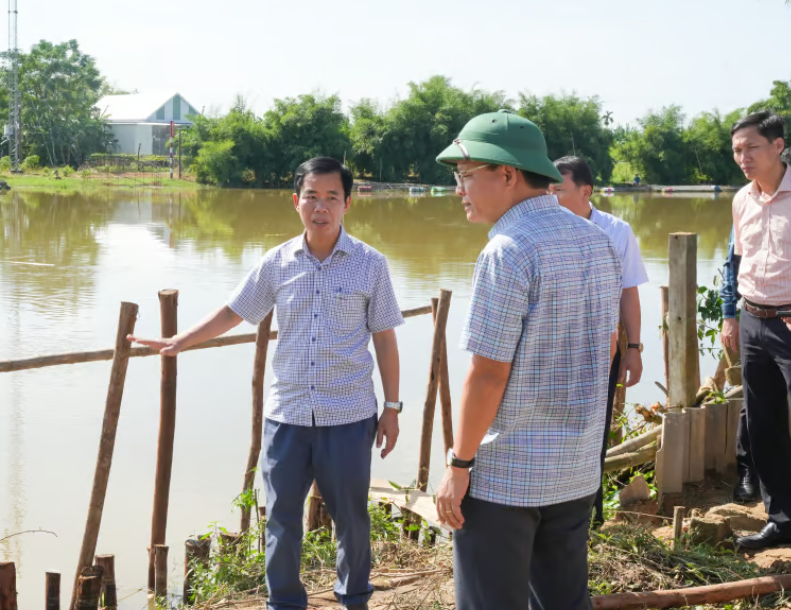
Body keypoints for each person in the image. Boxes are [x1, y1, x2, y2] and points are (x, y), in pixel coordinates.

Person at [129, 156, 404, 610]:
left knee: (352, 519)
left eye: (332, 197)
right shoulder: (277, 263)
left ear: (348, 204)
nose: (321, 206)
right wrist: (181, 340)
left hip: (349, 415)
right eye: (312, 196)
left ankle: (354, 600)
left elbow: (386, 340)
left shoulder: (370, 265)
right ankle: (285, 603)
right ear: (296, 202)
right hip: (288, 416)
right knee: (280, 520)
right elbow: (234, 311)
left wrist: (392, 408)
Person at [433, 111, 622, 610]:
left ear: (508, 174)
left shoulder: (509, 250)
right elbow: (606, 348)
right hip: (575, 468)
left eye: (466, 175)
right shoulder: (598, 240)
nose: (459, 189)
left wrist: (459, 462)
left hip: (505, 475)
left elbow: (489, 373)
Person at [550, 155, 648, 527]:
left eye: (558, 189)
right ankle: (549, 515)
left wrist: (634, 349)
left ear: (585, 191)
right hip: (550, 350)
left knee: (594, 432)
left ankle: (589, 518)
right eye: (547, 188)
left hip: (599, 351)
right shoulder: (544, 229)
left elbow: (629, 293)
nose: (550, 195)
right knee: (549, 432)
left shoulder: (617, 230)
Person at [728, 111, 791, 551]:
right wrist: (732, 315)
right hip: (753, 320)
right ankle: (782, 521)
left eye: (751, 147)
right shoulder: (741, 200)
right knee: (764, 425)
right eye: (736, 150)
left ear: (778, 146)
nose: (743, 157)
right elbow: (736, 259)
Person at [719, 225, 762, 503]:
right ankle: (748, 472)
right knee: (754, 397)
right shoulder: (746, 203)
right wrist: (728, 312)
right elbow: (732, 263)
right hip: (756, 313)